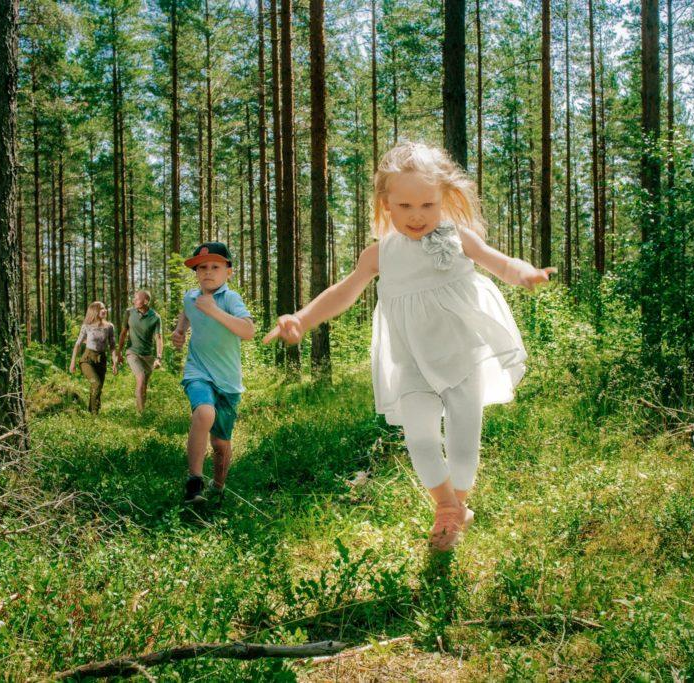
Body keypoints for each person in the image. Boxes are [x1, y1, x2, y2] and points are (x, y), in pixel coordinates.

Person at [265, 141, 554, 551]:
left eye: (427, 205)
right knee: (418, 437)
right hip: (412, 362)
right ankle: (447, 507)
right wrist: (302, 318)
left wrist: (525, 274)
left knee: (463, 441)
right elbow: (342, 293)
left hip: (462, 356)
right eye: (404, 207)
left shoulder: (459, 237)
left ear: (444, 199)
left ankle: (456, 511)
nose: (417, 217)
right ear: (385, 204)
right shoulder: (379, 253)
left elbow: (499, 262)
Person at [172, 241, 254, 504]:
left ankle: (218, 489)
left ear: (228, 272)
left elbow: (248, 332)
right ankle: (194, 482)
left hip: (228, 381)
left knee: (220, 444)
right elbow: (186, 311)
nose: (208, 272)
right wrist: (180, 331)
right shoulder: (191, 297)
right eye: (202, 267)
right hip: (198, 370)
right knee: (204, 412)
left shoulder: (230, 299)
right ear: (196, 273)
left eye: (215, 267)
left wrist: (214, 311)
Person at [117, 290, 163, 414]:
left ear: (146, 301)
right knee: (141, 378)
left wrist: (159, 358)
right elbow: (123, 333)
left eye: (137, 299)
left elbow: (158, 338)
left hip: (148, 356)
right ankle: (140, 413)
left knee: (144, 386)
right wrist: (119, 352)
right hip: (132, 352)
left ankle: (143, 412)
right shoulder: (129, 313)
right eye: (134, 298)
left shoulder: (155, 317)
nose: (134, 301)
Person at [69, 301, 118, 414]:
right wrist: (72, 363)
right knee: (96, 384)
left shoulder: (109, 327)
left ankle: (92, 413)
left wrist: (114, 363)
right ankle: (94, 416)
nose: (104, 310)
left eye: (105, 308)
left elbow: (112, 346)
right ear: (94, 311)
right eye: (101, 308)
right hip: (87, 360)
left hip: (102, 360)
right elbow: (77, 344)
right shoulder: (86, 326)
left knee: (97, 388)